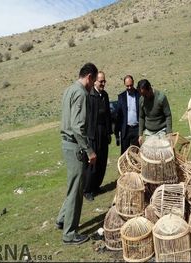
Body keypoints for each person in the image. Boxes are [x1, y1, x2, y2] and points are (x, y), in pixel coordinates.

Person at [56, 63, 98, 245]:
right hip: (75, 145)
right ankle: (70, 234)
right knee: (76, 189)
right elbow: (77, 126)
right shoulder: (80, 93)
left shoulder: (69, 90)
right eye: (93, 81)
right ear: (89, 77)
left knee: (73, 185)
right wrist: (89, 150)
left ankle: (61, 219)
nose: (93, 85)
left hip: (66, 143)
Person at [84, 71, 113, 201]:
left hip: (103, 131)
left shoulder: (104, 95)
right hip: (93, 133)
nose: (103, 84)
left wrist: (109, 132)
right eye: (101, 81)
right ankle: (87, 189)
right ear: (95, 81)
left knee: (102, 160)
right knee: (93, 162)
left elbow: (107, 115)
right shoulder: (90, 96)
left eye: (104, 81)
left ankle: (96, 186)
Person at [137, 79, 172, 145]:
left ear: (149, 89)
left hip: (161, 131)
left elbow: (168, 115)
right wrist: (140, 135)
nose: (144, 97)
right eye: (142, 95)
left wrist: (169, 132)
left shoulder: (161, 98)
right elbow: (141, 117)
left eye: (145, 94)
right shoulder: (141, 100)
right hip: (149, 133)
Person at [114, 75, 140, 154]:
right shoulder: (121, 97)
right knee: (124, 154)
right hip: (125, 129)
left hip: (137, 129)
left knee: (137, 153)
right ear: (125, 85)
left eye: (131, 85)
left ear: (133, 83)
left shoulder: (139, 95)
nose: (129, 87)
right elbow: (118, 115)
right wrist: (117, 133)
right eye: (127, 86)